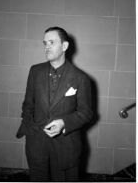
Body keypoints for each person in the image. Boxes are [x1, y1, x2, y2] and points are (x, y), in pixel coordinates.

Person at [16, 26, 93, 181]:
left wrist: (64, 123)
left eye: (52, 42)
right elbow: (28, 104)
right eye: (45, 43)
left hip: (66, 146)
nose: (47, 47)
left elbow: (86, 113)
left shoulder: (81, 78)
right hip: (36, 143)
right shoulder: (35, 71)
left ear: (64, 46)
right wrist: (30, 127)